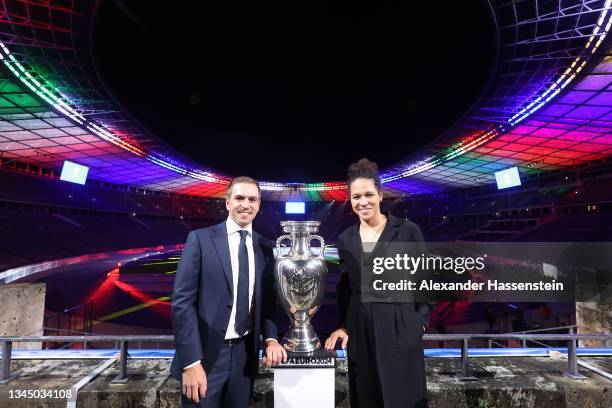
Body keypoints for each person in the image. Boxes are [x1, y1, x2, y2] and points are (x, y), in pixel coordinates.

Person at [170, 176, 287, 407]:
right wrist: (191, 362)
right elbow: (182, 303)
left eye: (252, 199)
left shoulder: (264, 246)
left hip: (245, 356)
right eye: (240, 198)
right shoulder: (200, 239)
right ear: (227, 202)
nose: (246, 204)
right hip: (206, 357)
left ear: (259, 204)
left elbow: (268, 300)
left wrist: (271, 338)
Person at [325, 158, 432, 408]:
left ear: (380, 195)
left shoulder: (408, 231)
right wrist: (344, 326)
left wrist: (420, 323)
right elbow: (345, 289)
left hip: (400, 325)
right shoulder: (344, 239)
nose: (363, 202)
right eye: (356, 196)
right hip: (360, 330)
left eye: (369, 194)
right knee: (366, 398)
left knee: (402, 398)